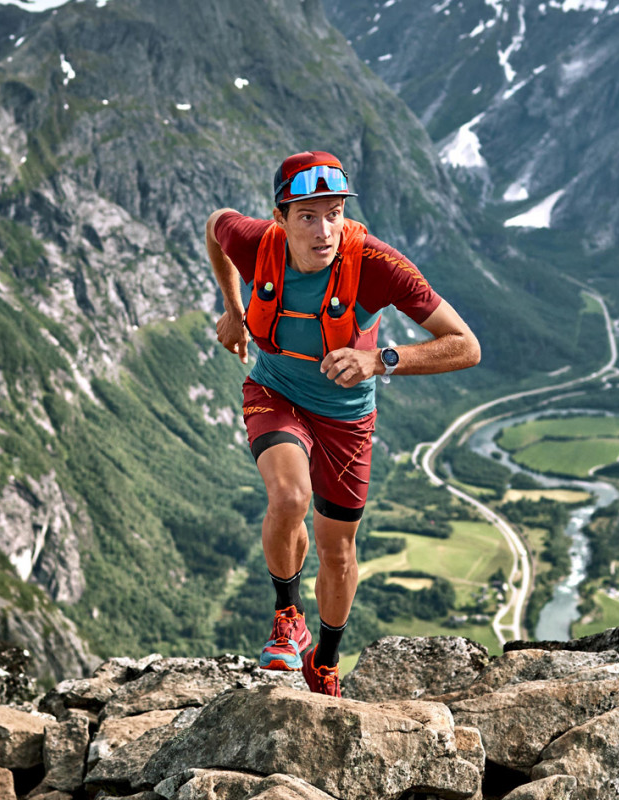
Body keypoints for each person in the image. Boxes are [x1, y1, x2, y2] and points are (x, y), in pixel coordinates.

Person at [205, 150, 480, 696]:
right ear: (280, 217)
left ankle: (325, 663)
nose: (324, 229)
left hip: (346, 418)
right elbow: (216, 225)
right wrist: (234, 309)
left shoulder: (375, 264)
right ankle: (288, 617)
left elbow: (466, 345)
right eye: (308, 215)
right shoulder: (255, 242)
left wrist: (381, 360)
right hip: (275, 390)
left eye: (334, 212)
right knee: (288, 498)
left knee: (338, 550)